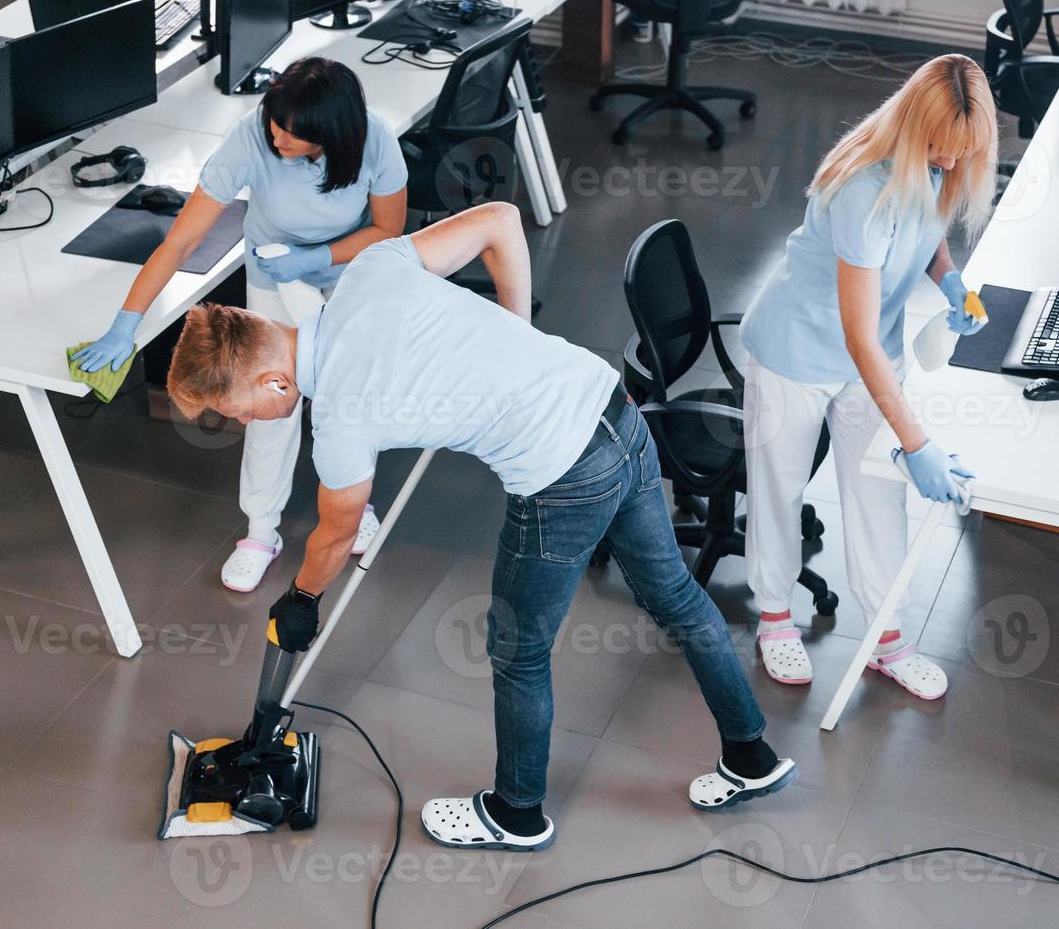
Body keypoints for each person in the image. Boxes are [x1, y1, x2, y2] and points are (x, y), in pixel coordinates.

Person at [164, 202, 797, 850]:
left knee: (519, 652)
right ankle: (751, 756)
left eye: (229, 409)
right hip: (616, 414)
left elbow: (337, 532)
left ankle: (517, 813)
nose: (239, 422)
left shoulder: (341, 422)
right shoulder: (370, 271)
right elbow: (500, 219)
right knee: (677, 597)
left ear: (271, 380)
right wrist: (515, 336)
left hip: (563, 477)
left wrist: (303, 596)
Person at [74, 57, 408, 593]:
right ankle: (261, 532)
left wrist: (318, 256)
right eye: (274, 124)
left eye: (293, 136)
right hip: (275, 279)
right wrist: (125, 324)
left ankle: (352, 500)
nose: (278, 139)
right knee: (268, 405)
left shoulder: (374, 141)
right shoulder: (251, 137)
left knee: (345, 399)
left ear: (330, 133)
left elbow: (389, 229)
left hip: (348, 274)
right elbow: (181, 240)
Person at [739, 54, 997, 700]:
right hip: (796, 352)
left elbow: (929, 229)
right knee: (780, 486)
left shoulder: (945, 164)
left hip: (867, 353)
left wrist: (949, 280)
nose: (948, 162)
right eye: (938, 149)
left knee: (881, 494)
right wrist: (918, 442)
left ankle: (886, 637)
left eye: (961, 153)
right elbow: (856, 339)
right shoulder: (863, 187)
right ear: (914, 129)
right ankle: (773, 619)